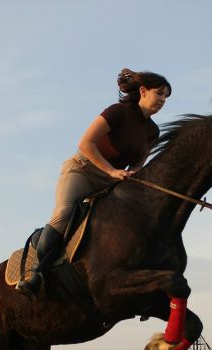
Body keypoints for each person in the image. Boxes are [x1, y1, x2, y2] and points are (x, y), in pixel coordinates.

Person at [16, 68, 172, 296]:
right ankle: (36, 273)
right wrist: (111, 170)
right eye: (159, 93)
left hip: (112, 182)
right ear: (142, 91)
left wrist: (133, 176)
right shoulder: (117, 112)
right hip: (83, 171)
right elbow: (86, 143)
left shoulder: (152, 131)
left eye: (166, 97)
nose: (162, 100)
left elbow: (138, 165)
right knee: (64, 212)